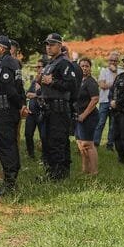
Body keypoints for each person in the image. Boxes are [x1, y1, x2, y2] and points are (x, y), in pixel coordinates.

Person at [0, 36, 24, 196]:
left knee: (5, 145)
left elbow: (10, 90)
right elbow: (19, 87)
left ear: (2, 48)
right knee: (10, 144)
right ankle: (11, 180)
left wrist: (18, 105)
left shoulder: (5, 64)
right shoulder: (14, 62)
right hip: (10, 110)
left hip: (6, 110)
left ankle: (9, 184)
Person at [39, 33, 77, 180]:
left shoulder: (64, 63)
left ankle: (58, 175)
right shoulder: (51, 63)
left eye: (52, 44)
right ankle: (53, 172)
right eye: (47, 44)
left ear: (60, 46)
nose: (48, 47)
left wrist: (53, 82)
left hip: (59, 109)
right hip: (49, 109)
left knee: (57, 142)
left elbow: (72, 85)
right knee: (49, 142)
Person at [75, 57, 99, 175]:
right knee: (81, 144)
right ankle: (85, 170)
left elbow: (95, 99)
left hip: (89, 117)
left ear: (90, 68)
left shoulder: (91, 82)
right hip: (78, 117)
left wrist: (84, 115)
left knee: (88, 144)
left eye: (87, 66)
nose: (84, 68)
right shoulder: (79, 81)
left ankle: (94, 171)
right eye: (82, 66)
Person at [94, 51, 121, 150]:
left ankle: (110, 144)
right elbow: (102, 85)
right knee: (100, 123)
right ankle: (95, 142)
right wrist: (114, 84)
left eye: (115, 61)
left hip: (115, 101)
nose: (112, 62)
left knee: (113, 125)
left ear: (118, 62)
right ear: (108, 61)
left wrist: (114, 74)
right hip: (104, 100)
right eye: (111, 60)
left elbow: (119, 86)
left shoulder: (120, 72)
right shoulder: (103, 71)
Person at [24, 58, 46, 160]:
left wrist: (36, 95)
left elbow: (46, 95)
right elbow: (28, 94)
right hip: (31, 112)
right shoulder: (35, 81)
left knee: (43, 136)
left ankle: (44, 157)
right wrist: (36, 95)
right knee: (28, 134)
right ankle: (30, 155)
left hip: (42, 113)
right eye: (37, 67)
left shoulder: (47, 80)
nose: (37, 69)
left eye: (39, 67)